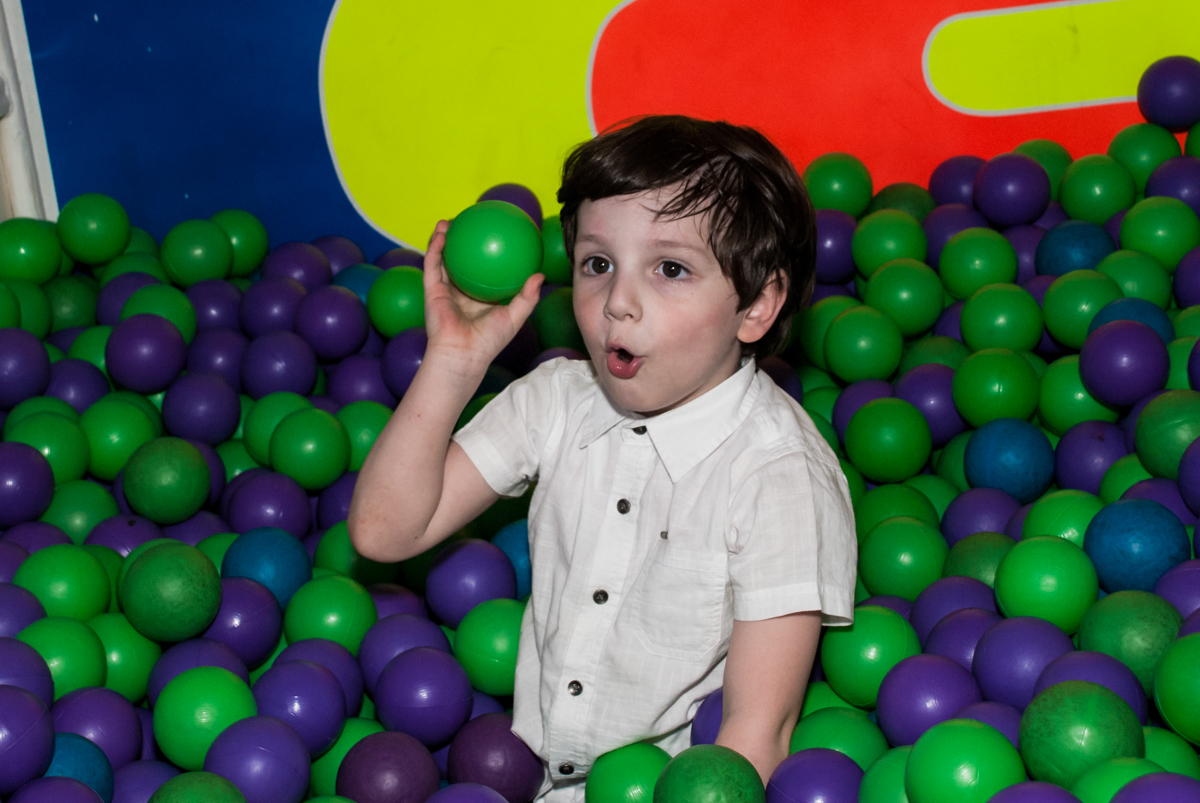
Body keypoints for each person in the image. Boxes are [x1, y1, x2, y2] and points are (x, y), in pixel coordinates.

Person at [349, 115, 857, 800]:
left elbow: (756, 732)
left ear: (757, 305)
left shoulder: (779, 476)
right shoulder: (557, 399)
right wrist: (454, 361)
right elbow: (386, 531)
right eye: (597, 264)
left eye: (670, 268)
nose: (618, 302)